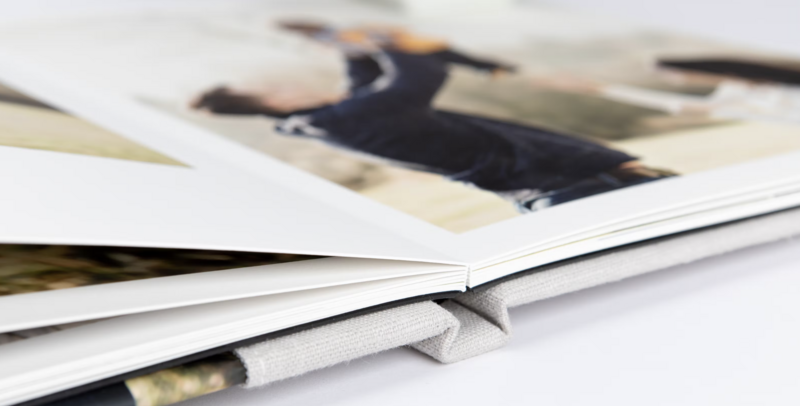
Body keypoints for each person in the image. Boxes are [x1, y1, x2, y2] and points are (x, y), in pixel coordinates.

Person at [193, 23, 673, 212]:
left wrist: (341, 42)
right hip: (566, 185)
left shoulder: (328, 118)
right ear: (273, 103)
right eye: (275, 88)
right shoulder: (349, 118)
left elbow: (366, 83)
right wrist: (386, 44)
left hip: (562, 177)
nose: (289, 84)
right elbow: (418, 73)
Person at [534, 58, 800, 124]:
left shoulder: (778, 79)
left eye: (671, 72)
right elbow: (677, 104)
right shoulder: (735, 95)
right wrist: (599, 89)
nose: (674, 80)